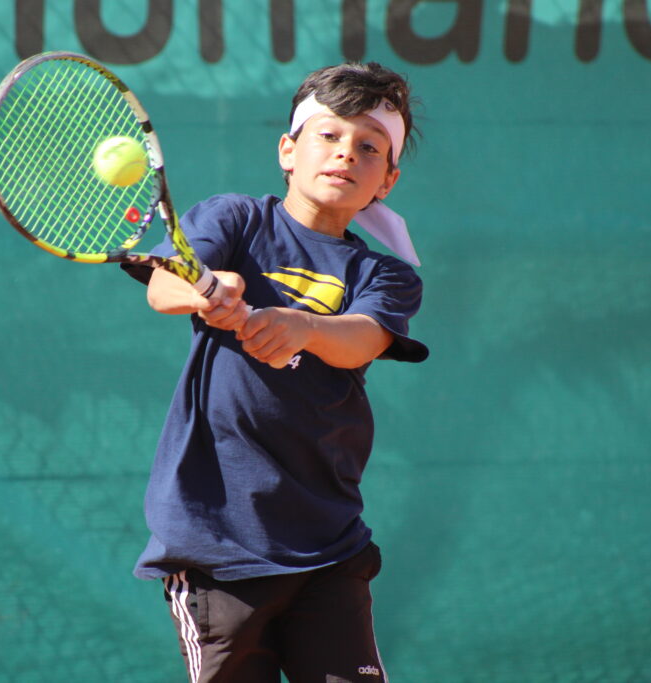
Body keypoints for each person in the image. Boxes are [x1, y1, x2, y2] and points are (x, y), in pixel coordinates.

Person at [125, 61, 429, 683]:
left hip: (329, 544)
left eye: (368, 147)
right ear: (288, 150)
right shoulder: (234, 221)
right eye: (329, 135)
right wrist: (209, 290)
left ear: (387, 180)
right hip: (217, 547)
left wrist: (305, 327)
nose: (346, 153)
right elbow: (163, 286)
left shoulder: (385, 274)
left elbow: (365, 338)